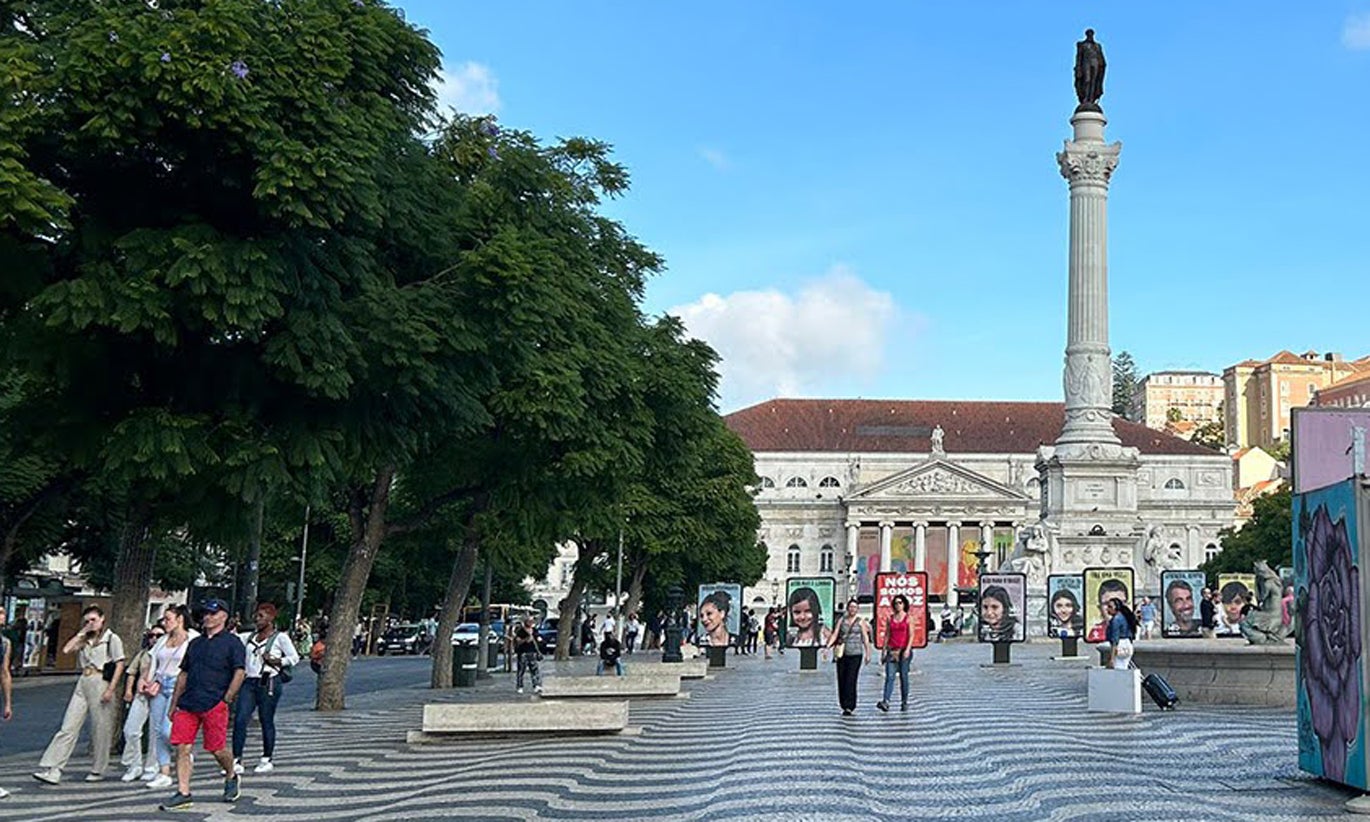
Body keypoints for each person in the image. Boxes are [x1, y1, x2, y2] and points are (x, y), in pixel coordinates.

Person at [159, 599, 246, 812]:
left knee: (216, 748)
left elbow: (239, 671)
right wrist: (174, 704)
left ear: (224, 616)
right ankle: (183, 792)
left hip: (214, 702)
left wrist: (227, 697)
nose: (208, 617)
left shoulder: (232, 643)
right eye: (205, 613)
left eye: (213, 613)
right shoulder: (195, 643)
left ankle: (231, 773)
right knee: (182, 746)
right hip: (189, 703)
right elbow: (184, 674)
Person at [33, 604, 126, 785]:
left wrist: (110, 689)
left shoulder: (112, 638)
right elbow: (67, 650)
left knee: (101, 728)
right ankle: (54, 767)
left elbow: (120, 664)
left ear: (102, 619)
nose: (91, 623)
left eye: (94, 620)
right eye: (87, 620)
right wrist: (82, 631)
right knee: (68, 725)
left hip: (101, 680)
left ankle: (98, 768)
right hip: (84, 680)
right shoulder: (85, 638)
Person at [233, 602, 299, 776]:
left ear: (271, 618)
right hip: (250, 681)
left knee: (266, 719)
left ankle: (266, 757)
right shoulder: (248, 637)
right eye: (256, 615)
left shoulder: (280, 638)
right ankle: (236, 757)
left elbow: (294, 657)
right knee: (240, 718)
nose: (257, 619)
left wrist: (278, 661)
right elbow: (233, 639)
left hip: (268, 680)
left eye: (261, 616)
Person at [144, 604, 197, 790]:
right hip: (160, 683)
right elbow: (153, 660)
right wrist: (148, 680)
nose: (164, 623)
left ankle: (184, 753)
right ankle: (164, 771)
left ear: (180, 619)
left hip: (178, 684)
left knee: (169, 729)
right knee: (158, 729)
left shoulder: (193, 639)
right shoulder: (163, 640)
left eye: (168, 619)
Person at [119, 624, 164, 782]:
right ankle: (135, 763)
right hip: (141, 693)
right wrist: (129, 690)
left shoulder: (166, 654)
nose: (154, 639)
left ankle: (152, 765)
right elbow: (131, 672)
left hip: (159, 693)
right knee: (130, 729)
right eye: (152, 635)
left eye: (159, 636)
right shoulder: (144, 654)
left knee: (154, 732)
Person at [827, 600, 872, 716]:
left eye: (855, 607)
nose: (852, 609)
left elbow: (865, 638)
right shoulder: (841, 620)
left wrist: (868, 653)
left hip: (856, 654)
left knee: (851, 679)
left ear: (857, 609)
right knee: (841, 679)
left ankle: (850, 705)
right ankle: (843, 703)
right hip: (842, 653)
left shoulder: (861, 622)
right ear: (848, 608)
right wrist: (827, 647)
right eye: (851, 607)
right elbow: (835, 634)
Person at [876, 594, 915, 713]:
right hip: (892, 650)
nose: (898, 605)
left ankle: (904, 701)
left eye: (900, 603)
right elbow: (887, 634)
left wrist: (908, 649)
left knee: (904, 677)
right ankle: (886, 701)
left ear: (904, 604)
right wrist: (883, 651)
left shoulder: (908, 618)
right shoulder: (890, 618)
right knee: (890, 677)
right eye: (896, 603)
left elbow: (911, 635)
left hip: (904, 650)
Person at [1085, 579, 1130, 643]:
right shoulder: (1096, 632)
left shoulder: (1135, 630)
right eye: (1107, 603)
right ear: (1100, 607)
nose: (1114, 608)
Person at [1, 609, 14, 800]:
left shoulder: (4, 643)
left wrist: (8, 702)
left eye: (2, 612)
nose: (1, 616)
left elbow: (4, 672)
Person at [1104, 598, 1138, 670]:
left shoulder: (1115, 620)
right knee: (1124, 668)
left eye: (1110, 607)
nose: (1107, 609)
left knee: (1118, 670)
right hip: (1127, 644)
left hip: (1120, 645)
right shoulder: (1124, 617)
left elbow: (1115, 640)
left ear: (1116, 608)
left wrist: (1112, 658)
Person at [513, 617, 542, 694]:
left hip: (532, 652)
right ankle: (520, 686)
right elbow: (518, 642)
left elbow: (538, 639)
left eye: (532, 621)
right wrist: (526, 639)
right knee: (521, 670)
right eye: (529, 621)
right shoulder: (520, 631)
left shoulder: (534, 631)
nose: (531, 623)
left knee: (534, 670)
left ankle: (536, 685)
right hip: (523, 653)